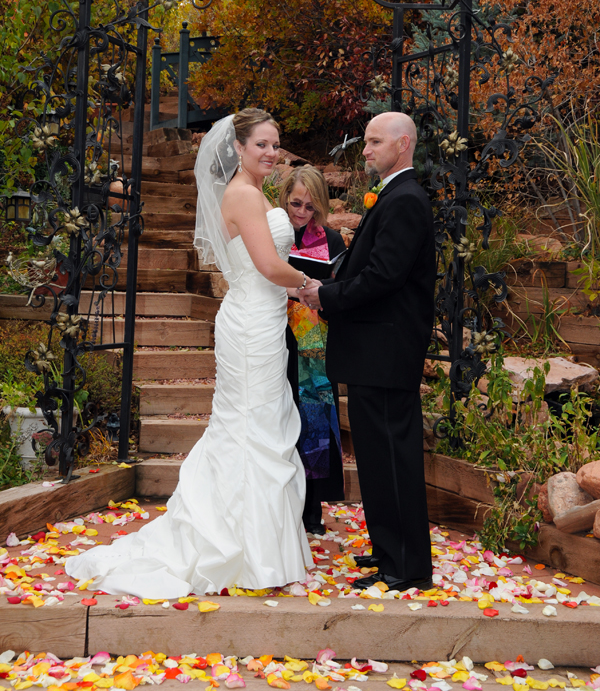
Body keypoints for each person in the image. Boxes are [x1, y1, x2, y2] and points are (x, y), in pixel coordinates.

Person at [65, 108, 316, 597]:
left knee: (261, 424)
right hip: (250, 322)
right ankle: (244, 552)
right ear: (238, 148)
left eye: (275, 143)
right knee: (250, 427)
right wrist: (311, 283)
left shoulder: (255, 193)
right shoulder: (242, 195)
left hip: (261, 319)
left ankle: (262, 551)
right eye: (261, 144)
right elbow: (267, 265)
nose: (271, 152)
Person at [300, 111, 435, 593]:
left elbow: (384, 277)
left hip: (386, 350)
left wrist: (327, 296)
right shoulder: (395, 196)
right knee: (377, 457)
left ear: (402, 145)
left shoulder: (405, 200)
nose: (365, 150)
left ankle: (407, 565)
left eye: (374, 142)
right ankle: (387, 549)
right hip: (374, 350)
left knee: (393, 457)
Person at [280, 165, 346, 535]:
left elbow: (340, 288)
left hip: (315, 345)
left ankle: (311, 510)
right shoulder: (275, 230)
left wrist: (323, 291)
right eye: (295, 203)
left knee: (314, 421)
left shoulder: (332, 240)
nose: (301, 212)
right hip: (278, 337)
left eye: (310, 207)